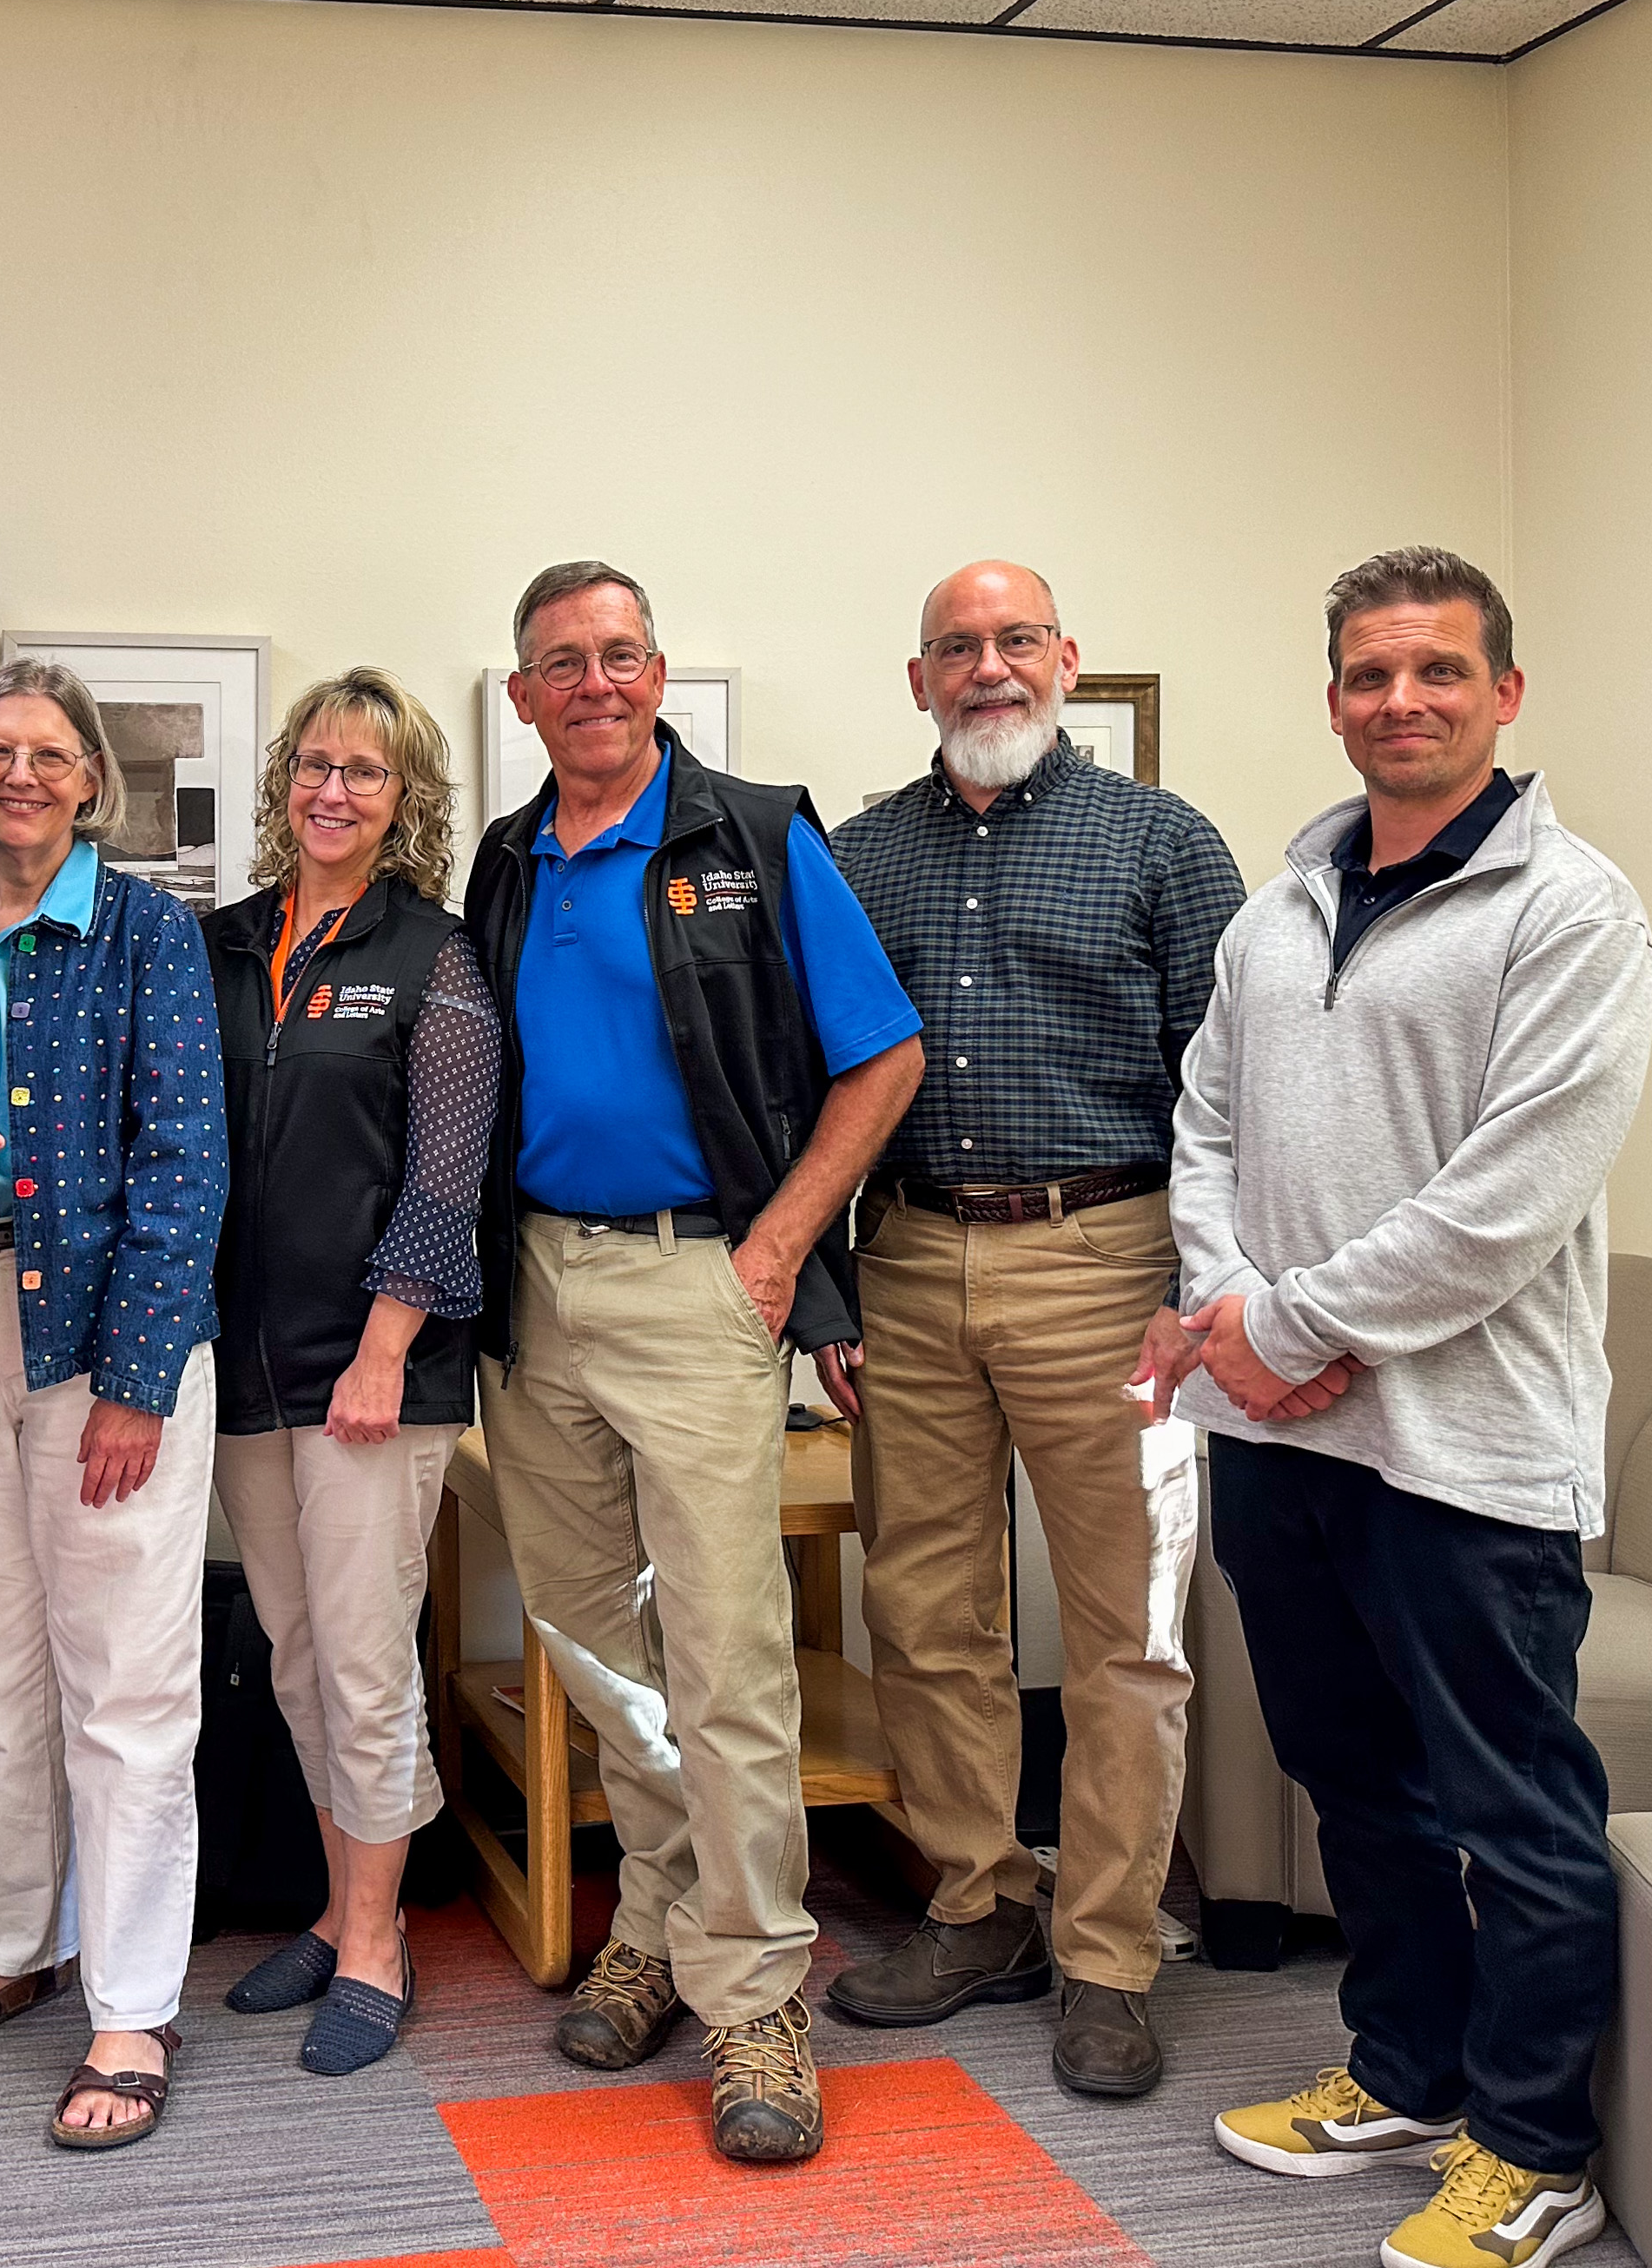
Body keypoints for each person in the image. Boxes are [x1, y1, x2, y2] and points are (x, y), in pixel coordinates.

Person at [1153, 548, 1652, 2268]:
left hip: (1465, 1450)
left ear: (1501, 693)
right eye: (1370, 674)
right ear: (1332, 700)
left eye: (1437, 671)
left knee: (1508, 1801)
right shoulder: (1272, 908)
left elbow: (1504, 1200)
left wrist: (1286, 1320)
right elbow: (1198, 1126)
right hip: (1275, 1441)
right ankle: (1403, 2067)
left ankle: (1527, 2148)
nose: (1402, 701)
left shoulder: (1569, 908)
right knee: (1348, 1781)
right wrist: (1240, 1326)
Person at [466, 561, 923, 2166]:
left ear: (654, 671)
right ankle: (653, 1924)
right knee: (602, 1649)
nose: (592, 682)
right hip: (537, 1288)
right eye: (558, 664)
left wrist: (779, 1249)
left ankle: (755, 1994)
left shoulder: (752, 835)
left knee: (729, 1655)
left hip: (695, 1284)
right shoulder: (506, 861)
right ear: (520, 696)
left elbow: (883, 1054)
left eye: (617, 654)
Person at [822, 562, 1245, 2097]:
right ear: (916, 675)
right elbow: (821, 1084)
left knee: (1124, 1630)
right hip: (914, 1257)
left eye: (1013, 641)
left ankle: (1111, 1948)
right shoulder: (858, 854)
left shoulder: (1160, 839)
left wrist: (1198, 1286)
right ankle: (976, 1898)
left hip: (1111, 1255)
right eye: (956, 647)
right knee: (926, 1609)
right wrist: (826, 1293)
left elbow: (1229, 1080)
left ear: (1063, 660)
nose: (986, 666)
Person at [0, 658, 227, 2153]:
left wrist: (138, 1380)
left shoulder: (145, 927)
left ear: (91, 778)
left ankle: (134, 1996)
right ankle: (12, 1941)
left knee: (128, 1694)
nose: (19, 772)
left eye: (49, 752)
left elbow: (184, 1156)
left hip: (104, 1339)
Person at [199, 668, 498, 2076]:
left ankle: (377, 1941)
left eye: (364, 772)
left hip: (375, 1371)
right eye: (313, 763)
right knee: (301, 1655)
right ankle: (337, 1902)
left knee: (369, 1662)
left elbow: (446, 1177)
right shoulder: (221, 941)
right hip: (243, 1373)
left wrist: (387, 1346)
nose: (331, 788)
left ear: (405, 799)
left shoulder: (434, 952)